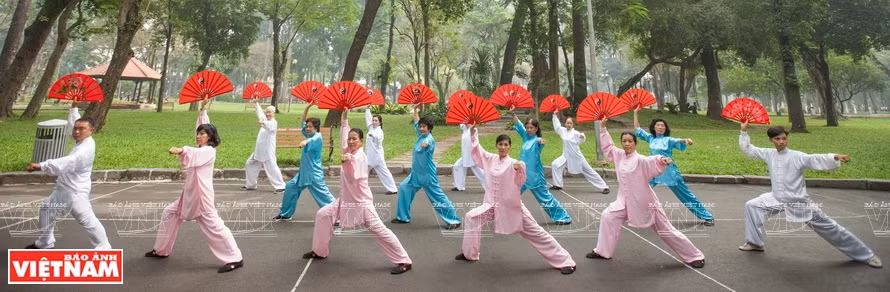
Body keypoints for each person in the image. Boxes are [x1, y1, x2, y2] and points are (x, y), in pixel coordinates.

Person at [737, 122, 882, 268]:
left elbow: (814, 159)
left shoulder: (797, 156)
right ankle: (755, 243)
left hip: (799, 203)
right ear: (771, 140)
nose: (781, 142)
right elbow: (749, 149)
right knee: (752, 206)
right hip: (776, 198)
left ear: (787, 139)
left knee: (830, 227)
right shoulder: (769, 154)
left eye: (784, 138)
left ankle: (866, 255)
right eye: (777, 139)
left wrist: (835, 157)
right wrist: (743, 131)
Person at [303, 110, 413, 275]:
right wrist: (344, 119)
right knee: (323, 215)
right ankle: (319, 251)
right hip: (344, 201)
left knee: (380, 231)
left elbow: (353, 176)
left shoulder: (359, 157)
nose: (351, 141)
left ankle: (404, 260)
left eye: (355, 139)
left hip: (361, 204)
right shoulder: (348, 152)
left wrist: (346, 162)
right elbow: (343, 138)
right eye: (350, 139)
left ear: (361, 141)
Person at [455, 126, 576, 274]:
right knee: (471, 217)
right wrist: (473, 132)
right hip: (491, 205)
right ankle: (469, 254)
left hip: (512, 207)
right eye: (500, 144)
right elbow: (477, 151)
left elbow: (521, 180)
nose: (503, 147)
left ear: (510, 147)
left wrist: (520, 168)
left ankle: (565, 261)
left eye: (506, 145)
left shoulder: (513, 163)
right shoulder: (490, 159)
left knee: (536, 232)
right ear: (496, 146)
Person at [586, 119, 706, 269]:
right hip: (623, 202)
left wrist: (662, 160)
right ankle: (602, 251)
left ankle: (694, 255)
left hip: (646, 204)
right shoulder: (618, 155)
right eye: (624, 141)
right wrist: (603, 128)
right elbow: (608, 147)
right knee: (607, 217)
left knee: (666, 231)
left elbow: (652, 160)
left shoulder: (640, 159)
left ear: (635, 144)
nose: (627, 144)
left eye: (630, 141)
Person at [145, 99, 245, 273]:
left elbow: (194, 152)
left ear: (211, 137)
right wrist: (203, 109)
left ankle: (235, 258)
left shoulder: (208, 151)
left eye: (203, 134)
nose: (199, 135)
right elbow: (200, 132)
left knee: (214, 227)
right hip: (189, 195)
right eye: (198, 133)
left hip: (201, 197)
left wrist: (181, 149)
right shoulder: (202, 147)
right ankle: (161, 250)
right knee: (169, 213)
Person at [25, 101, 111, 250]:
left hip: (75, 192)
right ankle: (45, 243)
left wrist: (41, 165)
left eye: (81, 129)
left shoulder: (85, 149)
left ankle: (104, 248)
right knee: (46, 209)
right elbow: (75, 125)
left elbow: (69, 162)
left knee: (87, 220)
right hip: (64, 188)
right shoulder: (83, 140)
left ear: (91, 130)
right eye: (75, 129)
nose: (76, 132)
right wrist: (74, 108)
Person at [632, 109, 714, 226]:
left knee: (685, 195)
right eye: (658, 125)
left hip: (669, 172)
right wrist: (635, 112)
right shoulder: (651, 138)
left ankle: (707, 217)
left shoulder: (668, 140)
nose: (660, 127)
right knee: (640, 190)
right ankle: (633, 213)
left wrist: (686, 140)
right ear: (654, 128)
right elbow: (637, 129)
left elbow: (678, 140)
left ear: (665, 129)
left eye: (663, 125)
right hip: (654, 171)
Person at [391, 104, 461, 229]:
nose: (421, 128)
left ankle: (453, 220)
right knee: (404, 188)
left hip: (427, 175)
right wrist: (416, 109)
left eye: (424, 127)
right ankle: (403, 217)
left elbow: (429, 142)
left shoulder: (429, 139)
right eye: (421, 127)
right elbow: (416, 122)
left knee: (437, 198)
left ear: (429, 129)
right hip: (416, 174)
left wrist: (426, 144)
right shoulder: (420, 136)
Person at [509, 107, 571, 225]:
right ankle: (507, 216)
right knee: (512, 194)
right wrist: (513, 113)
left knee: (544, 198)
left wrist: (540, 142)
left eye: (531, 127)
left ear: (536, 129)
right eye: (527, 127)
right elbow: (519, 125)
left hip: (535, 176)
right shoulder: (526, 137)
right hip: (522, 174)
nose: (528, 129)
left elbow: (540, 141)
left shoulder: (537, 140)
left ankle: (563, 216)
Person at [274, 104, 335, 220]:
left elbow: (311, 140)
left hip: (313, 175)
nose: (307, 128)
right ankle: (285, 214)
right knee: (290, 188)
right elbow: (302, 122)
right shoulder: (309, 134)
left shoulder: (317, 137)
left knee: (324, 197)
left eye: (310, 127)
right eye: (307, 126)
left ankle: (338, 216)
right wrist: (307, 108)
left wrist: (304, 142)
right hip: (303, 173)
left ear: (316, 128)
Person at [549, 111, 609, 194]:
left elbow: (582, 139)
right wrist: (554, 115)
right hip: (565, 156)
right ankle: (557, 185)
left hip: (577, 157)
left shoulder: (575, 133)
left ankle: (604, 187)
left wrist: (582, 137)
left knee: (589, 171)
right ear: (565, 123)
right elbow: (557, 127)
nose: (569, 124)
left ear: (573, 124)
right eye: (567, 123)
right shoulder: (562, 131)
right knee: (555, 164)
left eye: (570, 123)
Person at [242, 99, 285, 193]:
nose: (268, 114)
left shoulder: (273, 122)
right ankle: (251, 184)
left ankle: (281, 186)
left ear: (273, 113)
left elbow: (269, 126)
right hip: (258, 150)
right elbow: (260, 114)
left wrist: (263, 123)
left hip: (267, 151)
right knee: (249, 163)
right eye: (267, 112)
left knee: (272, 167)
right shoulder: (265, 119)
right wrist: (256, 103)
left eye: (270, 112)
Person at [364, 107, 398, 195]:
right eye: (373, 120)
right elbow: (368, 119)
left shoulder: (379, 132)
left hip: (377, 156)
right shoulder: (371, 127)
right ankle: (362, 188)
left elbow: (378, 140)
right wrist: (367, 109)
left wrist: (373, 136)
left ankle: (392, 188)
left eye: (376, 121)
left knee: (384, 172)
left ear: (380, 122)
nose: (374, 122)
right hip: (369, 155)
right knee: (363, 171)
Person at [451, 123, 486, 192]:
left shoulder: (473, 129)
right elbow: (462, 125)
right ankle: (459, 186)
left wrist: (472, 127)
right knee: (457, 166)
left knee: (480, 172)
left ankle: (490, 185)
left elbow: (473, 136)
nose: (464, 122)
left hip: (473, 155)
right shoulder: (465, 130)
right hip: (466, 155)